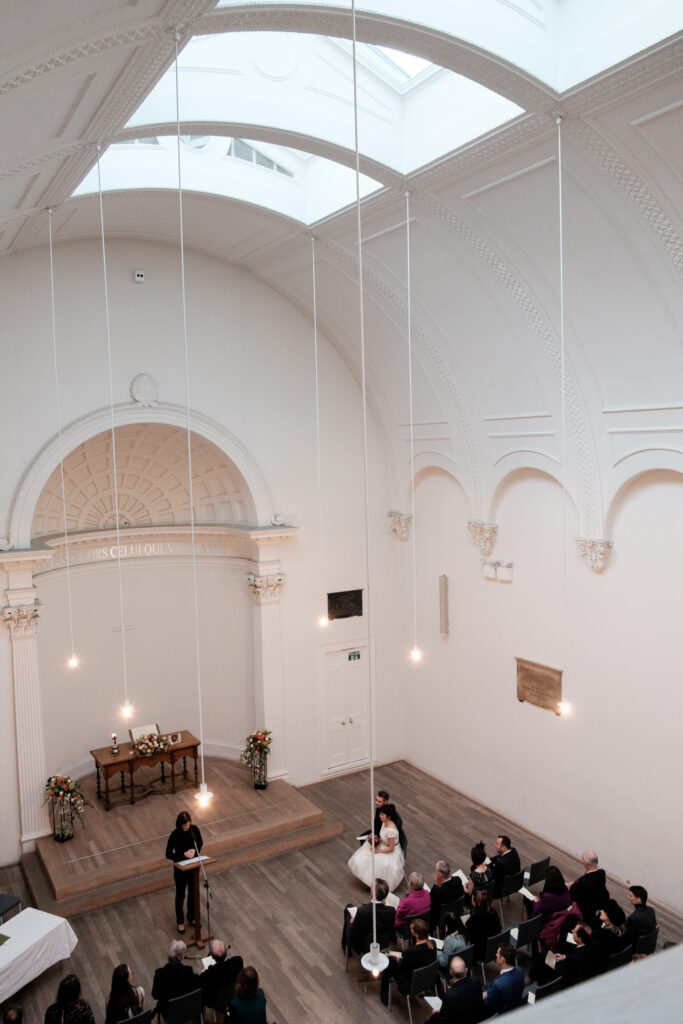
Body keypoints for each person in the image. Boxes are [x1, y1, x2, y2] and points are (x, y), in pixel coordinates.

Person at [348, 803, 405, 891]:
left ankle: (376, 885)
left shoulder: (391, 830)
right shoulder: (384, 823)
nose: (380, 816)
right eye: (380, 814)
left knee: (377, 861)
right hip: (384, 845)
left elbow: (391, 848)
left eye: (382, 814)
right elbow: (383, 837)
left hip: (390, 851)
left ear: (388, 817)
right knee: (366, 855)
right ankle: (370, 881)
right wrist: (375, 839)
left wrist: (378, 851)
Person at [380, 917, 436, 1005]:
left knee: (389, 963)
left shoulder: (411, 952)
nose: (410, 930)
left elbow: (402, 969)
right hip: (425, 980)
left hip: (407, 983)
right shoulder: (433, 944)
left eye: (411, 929)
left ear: (416, 934)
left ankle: (384, 994)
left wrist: (398, 960)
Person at [165, 809, 204, 932]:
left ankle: (191, 916)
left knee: (193, 893)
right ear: (180, 824)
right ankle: (180, 921)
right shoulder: (175, 835)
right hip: (180, 869)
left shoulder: (194, 829)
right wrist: (183, 854)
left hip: (193, 868)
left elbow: (200, 843)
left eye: (188, 824)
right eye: (184, 825)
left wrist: (194, 850)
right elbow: (168, 854)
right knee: (180, 895)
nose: (187, 826)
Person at [343, 878, 396, 956]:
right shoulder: (391, 910)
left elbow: (353, 934)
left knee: (348, 908)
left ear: (374, 892)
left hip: (363, 945)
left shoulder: (362, 912)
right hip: (383, 942)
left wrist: (353, 922)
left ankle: (346, 947)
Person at [425, 955, 483, 1023]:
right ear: (466, 970)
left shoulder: (450, 996)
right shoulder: (476, 981)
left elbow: (443, 1018)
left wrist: (435, 1014)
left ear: (450, 973)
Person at [152, 940, 196, 1019]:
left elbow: (155, 995)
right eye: (183, 953)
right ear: (179, 957)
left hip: (168, 1011)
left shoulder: (159, 973)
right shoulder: (188, 970)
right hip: (186, 1008)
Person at [200, 939, 244, 1016]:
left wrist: (205, 970)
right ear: (226, 952)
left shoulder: (207, 975)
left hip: (216, 1003)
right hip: (234, 995)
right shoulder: (238, 961)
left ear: (212, 957)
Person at [569, 850, 610, 930]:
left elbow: (572, 895)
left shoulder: (583, 883)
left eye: (583, 858)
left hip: (586, 918)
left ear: (587, 863)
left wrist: (573, 886)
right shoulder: (600, 874)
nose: (581, 858)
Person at [554, 923, 602, 987]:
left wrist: (557, 962)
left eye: (574, 931)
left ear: (579, 939)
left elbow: (563, 974)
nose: (572, 931)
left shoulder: (573, 959)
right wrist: (565, 957)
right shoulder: (596, 945)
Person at [482, 944, 524, 1013]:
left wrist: (487, 992)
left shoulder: (498, 984)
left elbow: (488, 1001)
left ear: (502, 959)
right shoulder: (519, 970)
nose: (496, 955)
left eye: (498, 953)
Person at [466, 889, 501, 963]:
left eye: (472, 901)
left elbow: (469, 932)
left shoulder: (475, 919)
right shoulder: (493, 912)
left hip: (479, 952)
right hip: (493, 948)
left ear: (476, 904)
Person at [429, 860, 464, 932]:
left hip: (442, 919)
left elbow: (431, 900)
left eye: (436, 872)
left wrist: (436, 884)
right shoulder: (458, 879)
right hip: (458, 912)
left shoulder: (439, 892)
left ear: (440, 875)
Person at [595, 899, 631, 967]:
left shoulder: (603, 935)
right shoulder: (622, 930)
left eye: (604, 911)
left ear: (609, 917)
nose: (601, 911)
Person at [489, 834, 520, 898]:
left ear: (503, 847)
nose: (495, 845)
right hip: (516, 882)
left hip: (501, 889)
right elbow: (499, 857)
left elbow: (492, 874)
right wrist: (489, 861)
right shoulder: (513, 850)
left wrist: (486, 866)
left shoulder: (501, 864)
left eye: (497, 844)